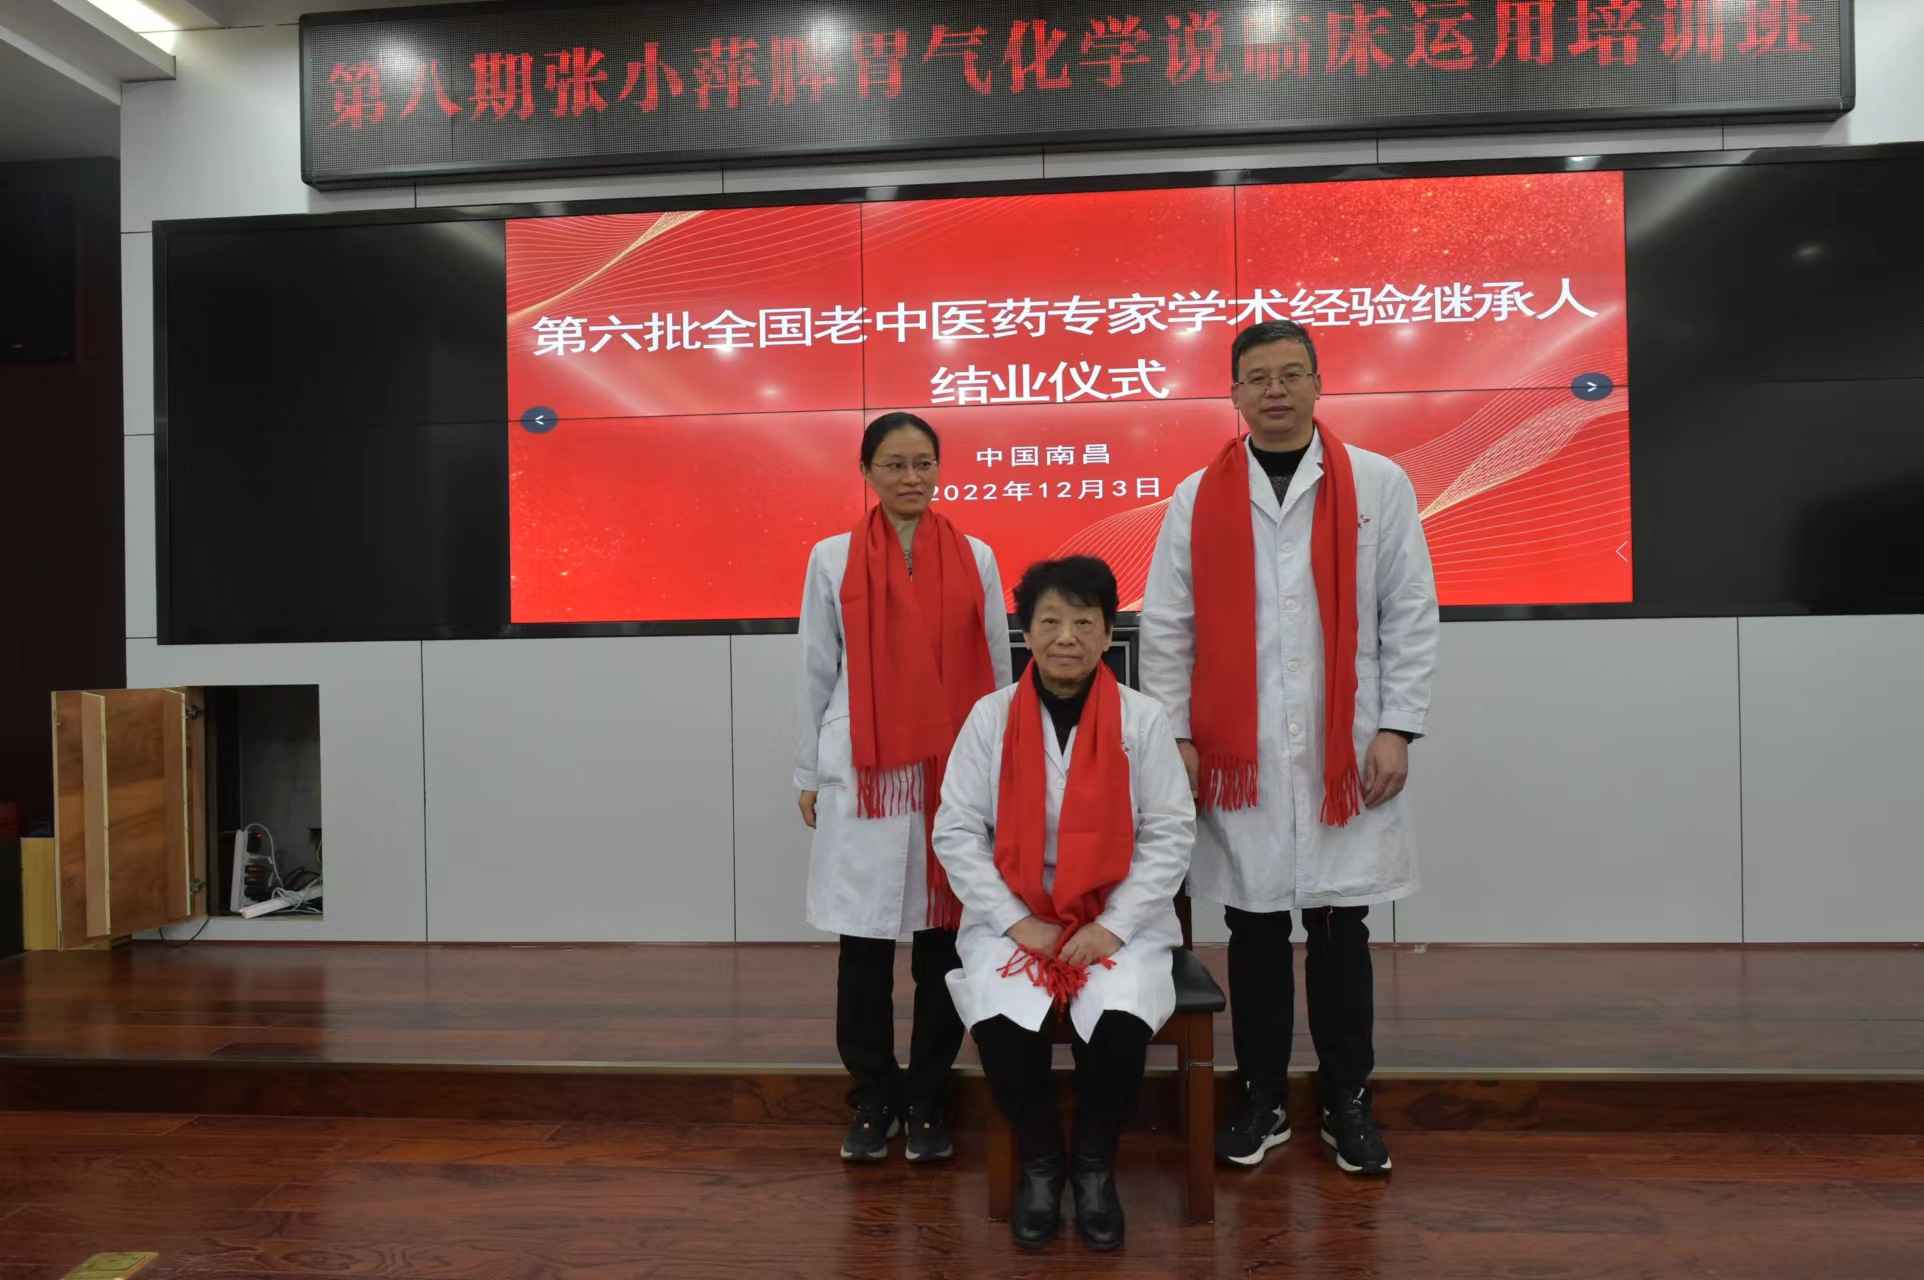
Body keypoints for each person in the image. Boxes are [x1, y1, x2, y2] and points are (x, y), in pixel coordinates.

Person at [1140, 320, 1439, 1176]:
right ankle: (1262, 1095)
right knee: (1254, 926)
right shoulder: (1197, 496)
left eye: (1290, 374)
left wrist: (1397, 727)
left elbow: (1408, 611)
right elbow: (1168, 626)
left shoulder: (1378, 483)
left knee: (1343, 929)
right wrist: (1179, 736)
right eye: (1257, 378)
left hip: (1349, 746)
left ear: (1317, 383)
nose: (1274, 391)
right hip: (1243, 754)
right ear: (1234, 393)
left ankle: (1348, 1100)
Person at [934, 556, 1195, 1251]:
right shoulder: (990, 718)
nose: (1067, 637)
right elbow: (955, 831)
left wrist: (1113, 927)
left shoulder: (1143, 719)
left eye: (1084, 622)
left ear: (1108, 633)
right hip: (1014, 916)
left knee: (1118, 1014)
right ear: (1027, 632)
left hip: (1117, 916)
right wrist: (1018, 922)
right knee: (1001, 1013)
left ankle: (1094, 1169)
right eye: (1050, 621)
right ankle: (1042, 1164)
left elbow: (1170, 833)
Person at [796, 411, 1012, 1164]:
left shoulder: (977, 556)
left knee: (941, 944)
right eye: (894, 464)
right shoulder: (831, 558)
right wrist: (805, 771)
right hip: (866, 772)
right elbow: (815, 670)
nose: (911, 477)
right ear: (867, 472)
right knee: (862, 945)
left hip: (952, 770)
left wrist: (1002, 770)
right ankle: (872, 1094)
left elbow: (998, 673)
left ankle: (927, 1095)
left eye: (923, 463)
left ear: (939, 469)